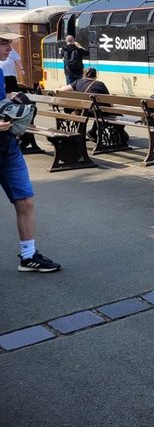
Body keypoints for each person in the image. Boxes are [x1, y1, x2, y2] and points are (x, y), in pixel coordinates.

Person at [0, 30, 61, 272]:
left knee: (25, 200)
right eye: (4, 44)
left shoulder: (1, 72)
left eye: (10, 44)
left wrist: (13, 104)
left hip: (7, 147)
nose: (10, 49)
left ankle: (28, 255)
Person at [56, 67, 110, 141]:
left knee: (97, 112)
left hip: (83, 111)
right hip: (95, 112)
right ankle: (93, 131)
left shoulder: (78, 82)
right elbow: (109, 101)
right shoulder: (100, 84)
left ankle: (91, 132)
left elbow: (62, 90)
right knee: (101, 113)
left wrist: (58, 88)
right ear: (95, 76)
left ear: (84, 75)